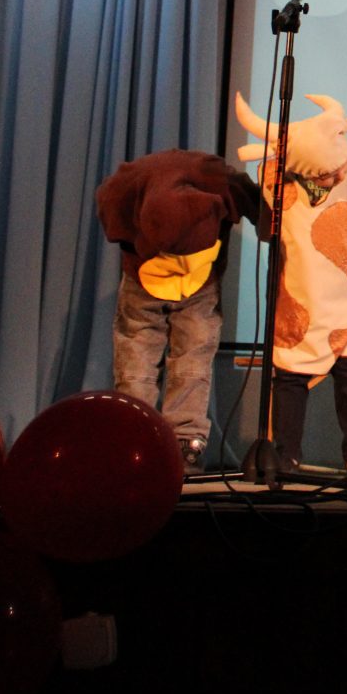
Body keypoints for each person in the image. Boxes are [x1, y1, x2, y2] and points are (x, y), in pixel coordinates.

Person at [236, 91, 347, 480]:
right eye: (326, 175)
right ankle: (286, 456)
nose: (337, 177)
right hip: (298, 293)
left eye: (338, 169)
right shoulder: (275, 178)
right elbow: (266, 231)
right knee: (290, 377)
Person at [97, 149, 265, 474]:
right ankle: (134, 436)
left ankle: (185, 441)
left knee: (194, 352)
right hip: (145, 275)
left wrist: (271, 226)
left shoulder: (218, 179)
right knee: (136, 358)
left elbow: (258, 204)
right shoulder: (128, 184)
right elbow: (108, 204)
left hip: (200, 281)